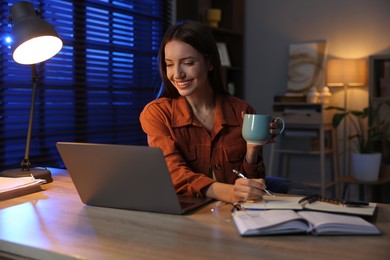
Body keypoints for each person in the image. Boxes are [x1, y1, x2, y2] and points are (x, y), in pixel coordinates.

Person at [139, 21, 278, 203]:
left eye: (188, 63)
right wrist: (229, 192)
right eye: (169, 64)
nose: (177, 74)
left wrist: (253, 149)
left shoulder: (242, 111)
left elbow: (251, 184)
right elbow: (173, 172)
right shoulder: (157, 113)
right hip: (185, 216)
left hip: (235, 214)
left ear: (210, 63)